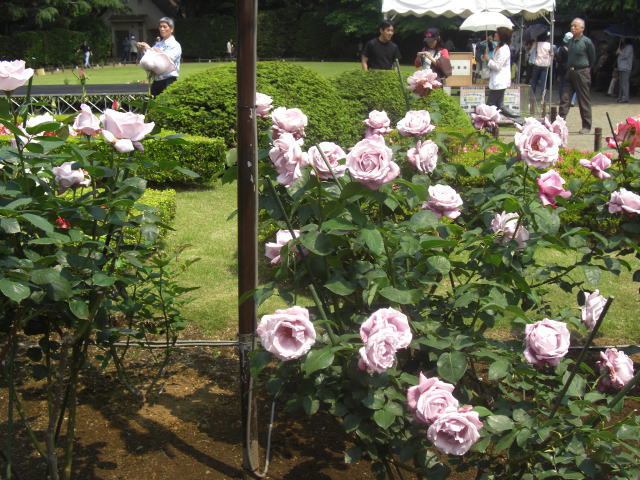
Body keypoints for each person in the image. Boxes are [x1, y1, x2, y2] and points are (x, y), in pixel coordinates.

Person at [558, 18, 596, 134]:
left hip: (582, 72)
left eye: (575, 26)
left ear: (582, 28)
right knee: (565, 98)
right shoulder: (570, 41)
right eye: (571, 26)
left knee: (583, 100)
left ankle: (586, 126)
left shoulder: (586, 41)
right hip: (569, 72)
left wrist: (587, 69)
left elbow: (592, 57)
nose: (572, 28)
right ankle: (559, 124)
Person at [137, 17, 182, 97]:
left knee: (165, 103)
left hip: (168, 81)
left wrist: (151, 49)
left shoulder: (175, 45)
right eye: (160, 27)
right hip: (156, 81)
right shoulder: (158, 44)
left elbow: (167, 61)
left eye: (165, 27)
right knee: (154, 103)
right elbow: (151, 60)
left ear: (171, 29)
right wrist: (145, 49)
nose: (162, 29)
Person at [484, 27, 521, 122]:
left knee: (490, 105)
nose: (495, 34)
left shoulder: (503, 49)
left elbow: (497, 66)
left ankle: (486, 122)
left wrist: (488, 60)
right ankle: (518, 119)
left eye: (497, 33)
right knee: (499, 106)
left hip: (499, 81)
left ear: (502, 36)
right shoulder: (498, 47)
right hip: (497, 81)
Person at [529, 32, 552, 101]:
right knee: (543, 82)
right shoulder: (549, 45)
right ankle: (542, 97)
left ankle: (532, 95)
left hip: (537, 64)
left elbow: (530, 52)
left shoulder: (536, 44)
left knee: (534, 80)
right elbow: (552, 54)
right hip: (545, 65)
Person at [616, 39, 634, 103]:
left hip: (626, 67)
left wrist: (620, 52)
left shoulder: (630, 47)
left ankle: (625, 98)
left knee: (625, 83)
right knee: (621, 83)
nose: (622, 39)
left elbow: (626, 55)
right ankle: (620, 97)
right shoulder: (623, 46)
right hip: (621, 67)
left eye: (623, 38)